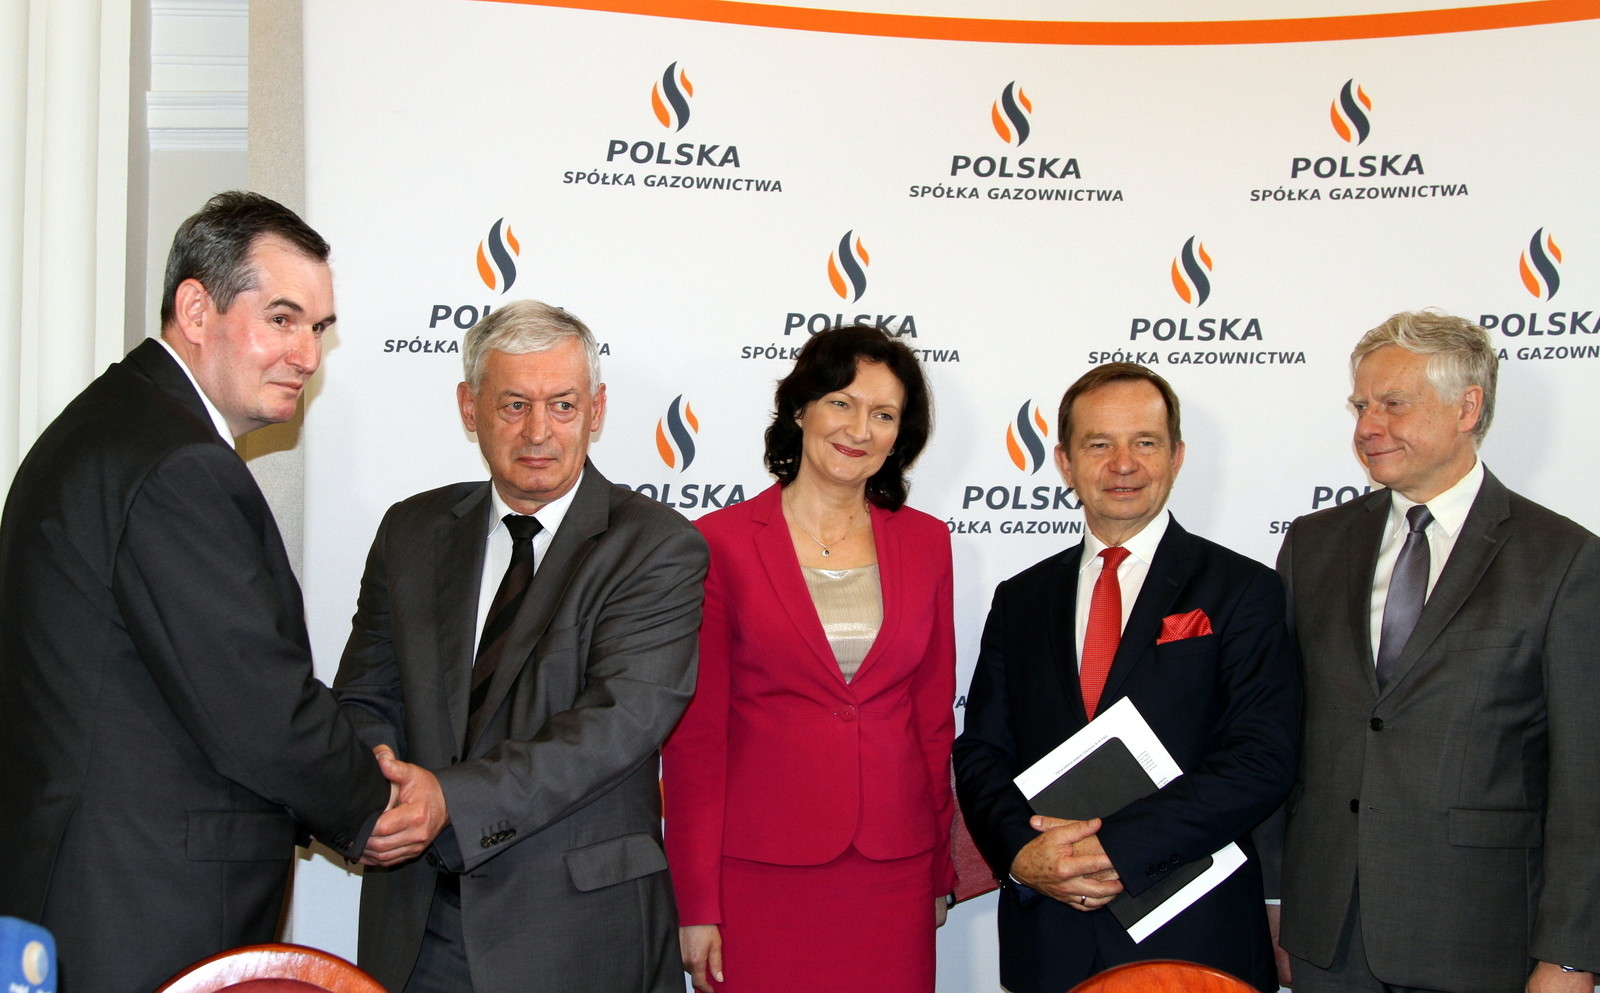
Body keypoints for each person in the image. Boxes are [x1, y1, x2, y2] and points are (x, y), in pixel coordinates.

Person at [0, 191, 412, 993]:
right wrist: (377, 803)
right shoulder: (176, 462)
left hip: (95, 900)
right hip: (135, 912)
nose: (307, 354)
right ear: (196, 308)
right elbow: (257, 703)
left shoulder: (114, 424)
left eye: (320, 328)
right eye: (283, 318)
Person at [333, 299, 708, 993]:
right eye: (513, 405)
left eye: (562, 405)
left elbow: (618, 724)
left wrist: (448, 799)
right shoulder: (411, 530)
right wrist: (377, 777)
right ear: (469, 408)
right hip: (419, 927)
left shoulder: (656, 546)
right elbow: (365, 695)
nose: (539, 431)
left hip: (578, 935)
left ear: (596, 411)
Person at [1273, 311, 1600, 993]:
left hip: (1481, 939)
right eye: (1361, 405)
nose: (1368, 426)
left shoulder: (1562, 559)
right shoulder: (1313, 545)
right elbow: (1277, 734)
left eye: (1393, 404)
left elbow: (1585, 778)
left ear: (1467, 408)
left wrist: (1571, 955)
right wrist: (1276, 899)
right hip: (1327, 937)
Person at [954, 362, 1299, 993]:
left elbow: (1261, 758)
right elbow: (982, 751)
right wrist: (1023, 855)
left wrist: (1116, 849)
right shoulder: (1020, 598)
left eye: (1145, 442)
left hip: (1194, 936)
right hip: (1050, 935)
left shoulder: (1243, 589)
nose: (1123, 464)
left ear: (1176, 456)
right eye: (1098, 444)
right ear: (1064, 462)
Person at [661, 325, 957, 993]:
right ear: (800, 410)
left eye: (884, 414)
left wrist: (940, 866)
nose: (860, 429)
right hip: (760, 871)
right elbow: (696, 740)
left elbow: (933, 723)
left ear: (900, 435)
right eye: (841, 403)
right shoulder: (721, 542)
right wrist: (696, 900)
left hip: (894, 869)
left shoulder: (928, 543)